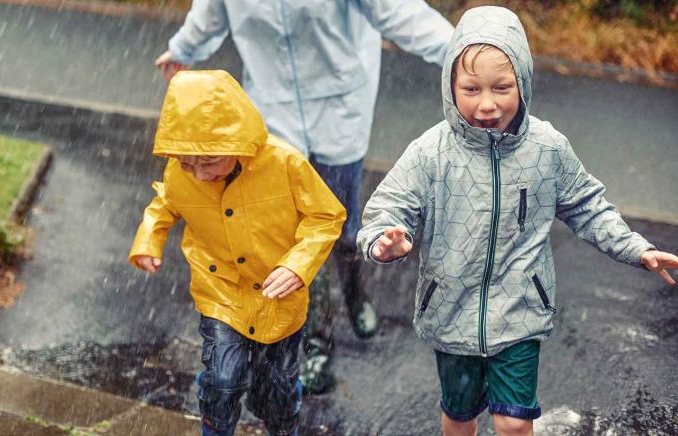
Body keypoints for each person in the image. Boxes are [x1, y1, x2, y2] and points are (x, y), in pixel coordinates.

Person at [356, 6, 678, 436]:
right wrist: (383, 242)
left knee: (512, 422)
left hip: (520, 310)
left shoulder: (547, 148)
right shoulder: (430, 152)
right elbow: (386, 209)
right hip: (452, 312)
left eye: (502, 87)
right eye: (471, 88)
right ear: (450, 85)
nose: (487, 103)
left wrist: (636, 247)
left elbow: (588, 205)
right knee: (460, 413)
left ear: (523, 82)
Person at [154, 0, 454, 394]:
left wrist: (465, 51)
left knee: (341, 220)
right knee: (296, 232)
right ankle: (318, 342)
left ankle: (354, 289)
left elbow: (400, 11)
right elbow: (210, 14)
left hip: (341, 103)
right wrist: (183, 50)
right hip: (272, 111)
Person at [129, 70, 344, 436]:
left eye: (209, 161)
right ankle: (216, 428)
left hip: (279, 294)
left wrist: (298, 264)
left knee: (274, 388)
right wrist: (149, 238)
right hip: (220, 291)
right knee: (223, 379)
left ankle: (281, 425)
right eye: (187, 164)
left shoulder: (284, 163)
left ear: (238, 140)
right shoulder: (183, 169)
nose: (198, 175)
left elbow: (326, 215)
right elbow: (165, 201)